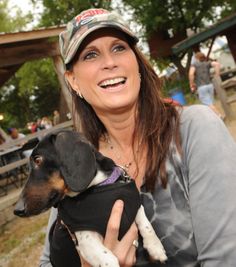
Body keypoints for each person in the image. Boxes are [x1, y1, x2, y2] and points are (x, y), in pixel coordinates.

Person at [39, 8, 236, 267]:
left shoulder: (193, 129)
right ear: (73, 81)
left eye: (119, 48)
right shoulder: (75, 162)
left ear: (137, 63)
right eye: (90, 54)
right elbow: (47, 262)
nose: (109, 62)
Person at [188, 51, 223, 117]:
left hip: (201, 87)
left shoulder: (194, 64)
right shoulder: (207, 63)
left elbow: (191, 74)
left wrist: (191, 84)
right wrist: (217, 75)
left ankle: (219, 115)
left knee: (208, 104)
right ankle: (215, 116)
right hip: (210, 85)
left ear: (196, 58)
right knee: (211, 103)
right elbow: (217, 64)